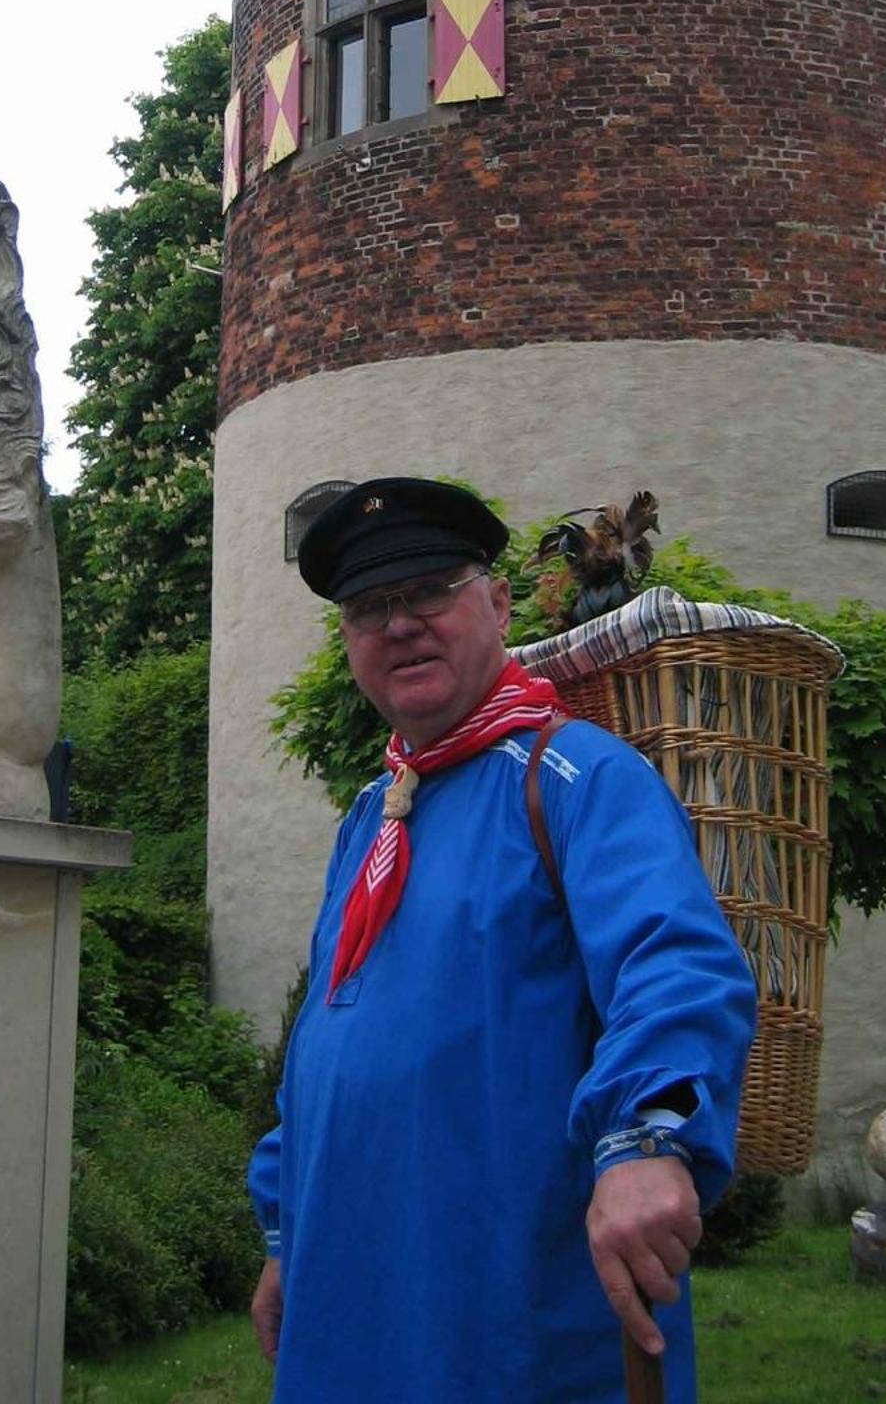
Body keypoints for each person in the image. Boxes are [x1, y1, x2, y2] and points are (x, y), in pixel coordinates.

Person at [248, 478, 757, 1403]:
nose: (399, 624)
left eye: (429, 590)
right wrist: (288, 1231)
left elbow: (680, 974)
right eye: (369, 607)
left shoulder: (579, 778)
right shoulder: (372, 816)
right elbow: (325, 1048)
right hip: (345, 1307)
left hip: (506, 1319)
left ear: (497, 602)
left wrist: (650, 1140)